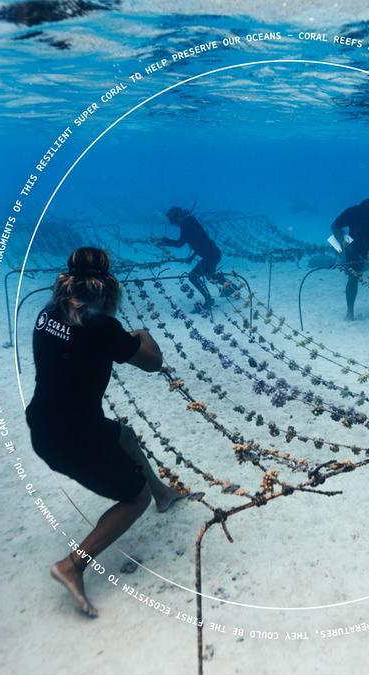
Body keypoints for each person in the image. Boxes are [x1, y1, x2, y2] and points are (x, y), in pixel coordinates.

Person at [26, 247, 181, 617]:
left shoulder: (47, 313)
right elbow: (153, 362)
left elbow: (77, 346)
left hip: (45, 423)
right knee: (133, 500)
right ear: (108, 285)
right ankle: (73, 565)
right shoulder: (102, 327)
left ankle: (163, 494)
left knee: (124, 435)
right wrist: (142, 334)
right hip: (74, 438)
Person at [158, 206, 223, 308]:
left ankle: (209, 299)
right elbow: (200, 241)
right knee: (210, 275)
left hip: (210, 256)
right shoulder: (190, 220)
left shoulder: (185, 223)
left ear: (177, 217)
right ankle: (231, 287)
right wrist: (191, 257)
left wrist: (165, 241)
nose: (175, 224)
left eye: (174, 221)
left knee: (193, 276)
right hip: (214, 253)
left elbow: (180, 244)